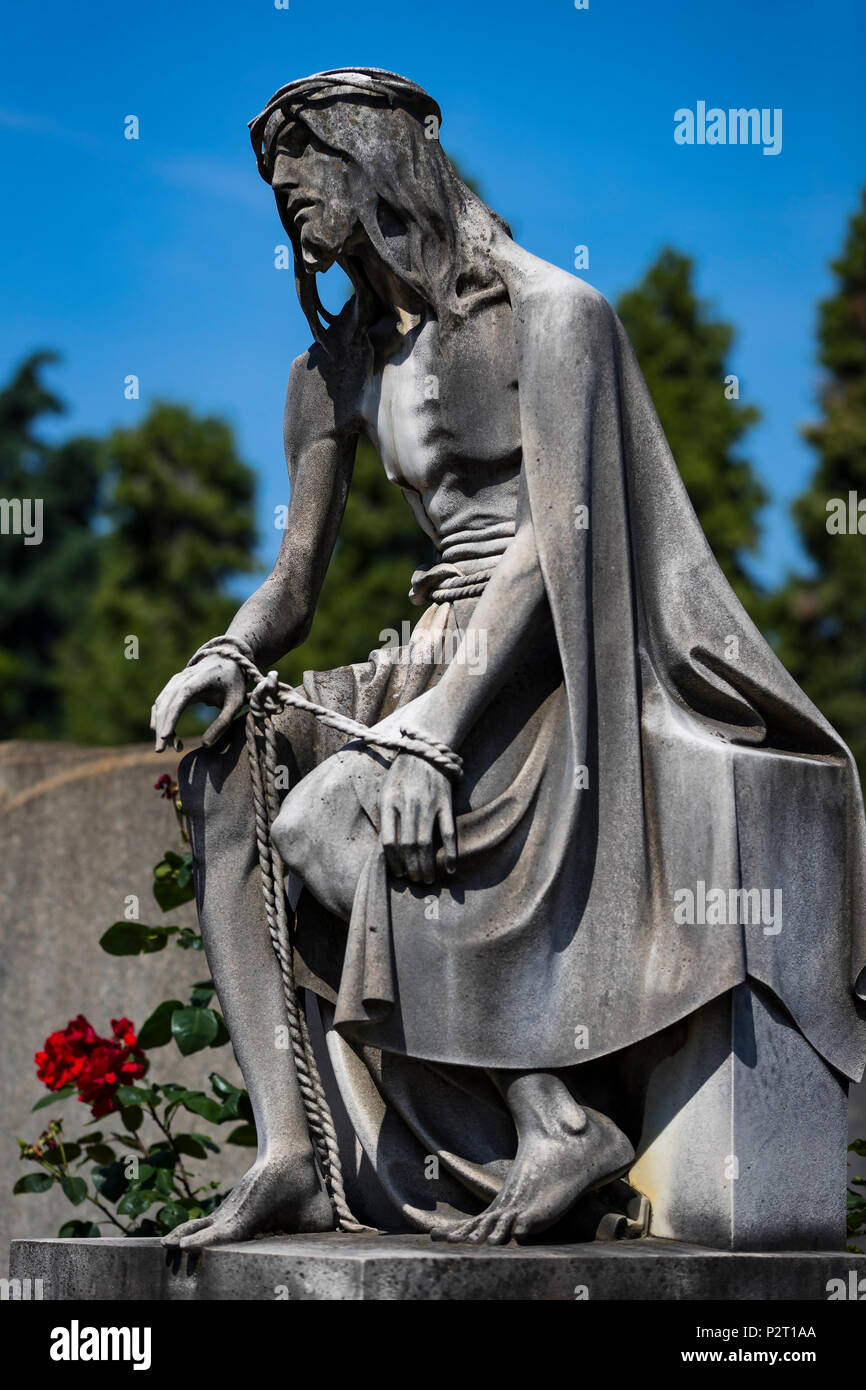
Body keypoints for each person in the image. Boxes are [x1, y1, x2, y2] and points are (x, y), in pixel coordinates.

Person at [151, 69, 866, 1249]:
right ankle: (286, 1148)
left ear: (378, 156)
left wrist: (433, 735)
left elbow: (556, 539)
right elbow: (294, 581)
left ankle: (552, 1119)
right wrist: (231, 651)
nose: (289, 203)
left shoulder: (551, 313)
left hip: (550, 663)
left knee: (328, 820)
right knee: (224, 766)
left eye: (308, 175)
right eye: (278, 198)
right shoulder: (329, 373)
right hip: (422, 654)